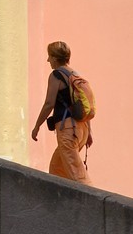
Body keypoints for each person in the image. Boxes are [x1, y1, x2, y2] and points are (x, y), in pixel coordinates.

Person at [31, 40, 90, 183]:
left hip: (68, 130)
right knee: (57, 170)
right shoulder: (74, 74)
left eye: (49, 56)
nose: (47, 60)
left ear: (55, 58)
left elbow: (49, 104)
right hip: (82, 128)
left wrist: (37, 126)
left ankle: (91, 204)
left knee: (78, 176)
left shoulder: (56, 75)